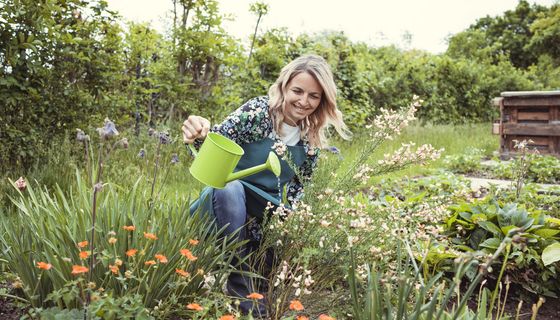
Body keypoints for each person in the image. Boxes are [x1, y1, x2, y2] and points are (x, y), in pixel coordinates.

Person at [181, 54, 351, 317]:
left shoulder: (310, 140)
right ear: (284, 86)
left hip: (263, 217)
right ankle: (239, 277)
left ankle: (256, 293)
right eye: (298, 91)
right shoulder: (258, 113)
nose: (304, 101)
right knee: (232, 188)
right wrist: (198, 131)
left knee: (272, 261)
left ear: (322, 101)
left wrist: (292, 225)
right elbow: (212, 149)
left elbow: (297, 191)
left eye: (314, 96)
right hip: (221, 205)